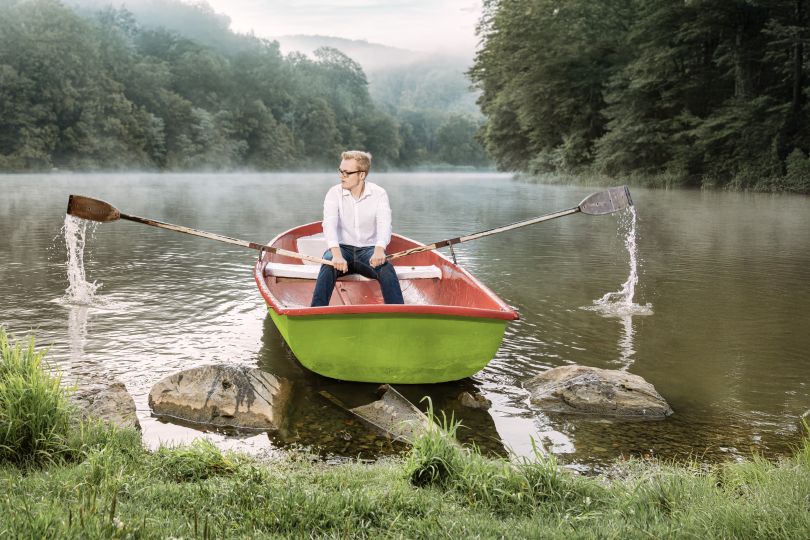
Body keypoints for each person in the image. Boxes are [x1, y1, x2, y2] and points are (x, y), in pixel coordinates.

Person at [310, 150, 404, 307]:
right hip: (342, 250)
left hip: (369, 251)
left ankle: (399, 314)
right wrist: (336, 255)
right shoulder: (334, 193)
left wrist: (379, 250)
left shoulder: (379, 194)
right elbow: (329, 225)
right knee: (328, 264)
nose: (342, 176)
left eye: (347, 173)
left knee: (386, 269)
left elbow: (384, 224)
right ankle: (315, 313)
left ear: (362, 175)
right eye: (340, 171)